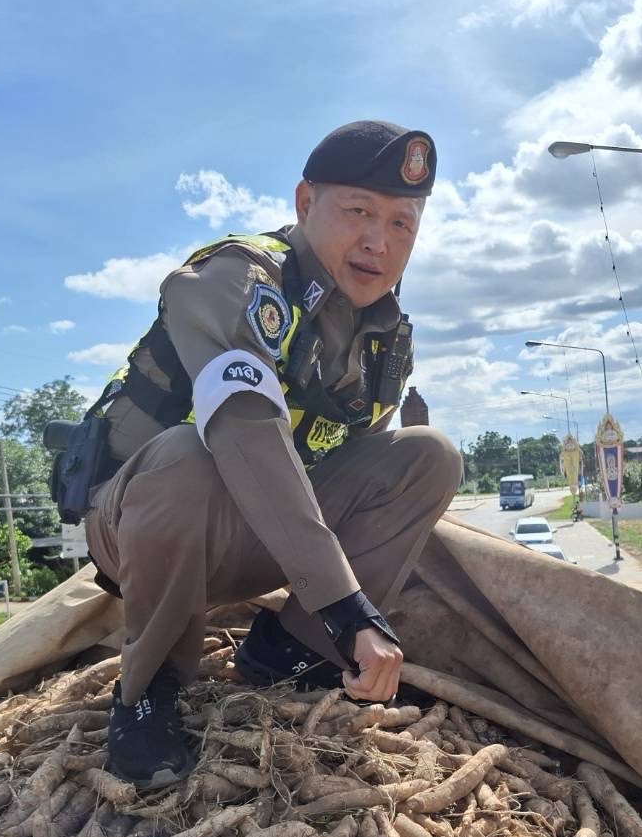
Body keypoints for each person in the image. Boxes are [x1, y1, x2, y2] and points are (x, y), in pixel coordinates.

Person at [79, 120, 462, 789]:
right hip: (147, 529)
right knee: (192, 455)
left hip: (264, 535)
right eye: (359, 212)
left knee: (428, 455)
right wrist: (349, 611)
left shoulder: (383, 334)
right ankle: (146, 691)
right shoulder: (235, 278)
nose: (379, 241)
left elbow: (358, 466)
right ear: (304, 204)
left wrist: (331, 614)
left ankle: (286, 650)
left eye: (402, 224)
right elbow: (245, 429)